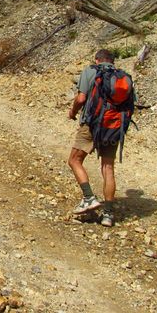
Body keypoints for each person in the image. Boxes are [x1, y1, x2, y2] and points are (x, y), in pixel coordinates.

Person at [67, 48, 119, 227]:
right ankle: (108, 214)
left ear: (97, 60)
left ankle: (89, 197)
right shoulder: (121, 76)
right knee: (108, 168)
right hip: (113, 126)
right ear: (112, 61)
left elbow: (81, 99)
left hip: (91, 124)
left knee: (74, 160)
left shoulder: (90, 71)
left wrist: (73, 112)